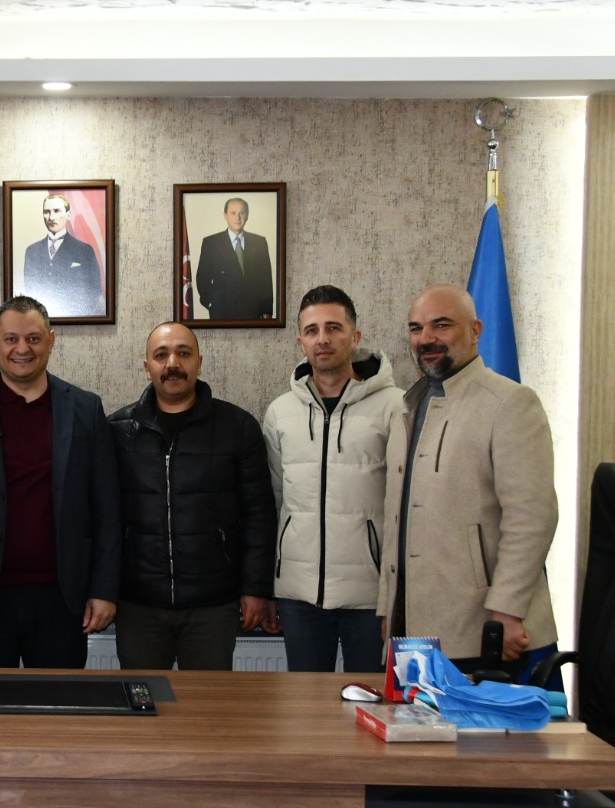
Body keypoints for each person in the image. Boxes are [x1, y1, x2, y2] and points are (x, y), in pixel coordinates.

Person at [0, 296, 120, 667]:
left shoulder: (85, 409)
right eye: (11, 339)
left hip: (61, 600)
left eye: (33, 339)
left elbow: (107, 509)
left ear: (51, 341)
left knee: (57, 704)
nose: (22, 349)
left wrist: (104, 589)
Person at [378, 283, 557, 675]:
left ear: (476, 331)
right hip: (414, 630)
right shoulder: (407, 407)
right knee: (416, 718)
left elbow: (532, 518)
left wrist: (507, 610)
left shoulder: (510, 403)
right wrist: (388, 608)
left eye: (441, 325)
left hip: (485, 630)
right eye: (416, 328)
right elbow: (396, 518)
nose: (426, 338)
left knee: (483, 720)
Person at [108, 321, 276, 669]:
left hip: (212, 606)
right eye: (161, 355)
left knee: (207, 704)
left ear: (199, 362)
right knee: (144, 700)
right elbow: (102, 519)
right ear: (147, 367)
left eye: (183, 353)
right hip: (138, 606)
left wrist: (256, 588)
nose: (173, 363)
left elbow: (259, 515)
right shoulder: (118, 431)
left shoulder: (238, 427)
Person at [262, 285, 402, 673]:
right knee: (304, 704)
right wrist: (270, 586)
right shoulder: (280, 413)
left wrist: (397, 594)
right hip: (299, 594)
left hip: (370, 596)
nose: (322, 339)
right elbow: (275, 501)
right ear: (301, 342)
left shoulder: (396, 407)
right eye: (312, 330)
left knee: (371, 700)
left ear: (355, 336)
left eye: (333, 328)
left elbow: (404, 508)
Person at [22, 193, 103, 317]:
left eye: (56, 211)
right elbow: (30, 289)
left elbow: (94, 289)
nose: (51, 217)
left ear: (68, 214)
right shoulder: (32, 251)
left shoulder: (84, 250)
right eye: (46, 212)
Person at [196, 197, 274, 320]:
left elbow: (266, 279)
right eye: (233, 213)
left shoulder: (259, 242)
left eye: (241, 213)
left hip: (253, 312)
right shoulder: (211, 243)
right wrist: (211, 303)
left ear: (247, 216)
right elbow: (202, 278)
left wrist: (267, 310)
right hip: (222, 312)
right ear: (225, 215)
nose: (237, 217)